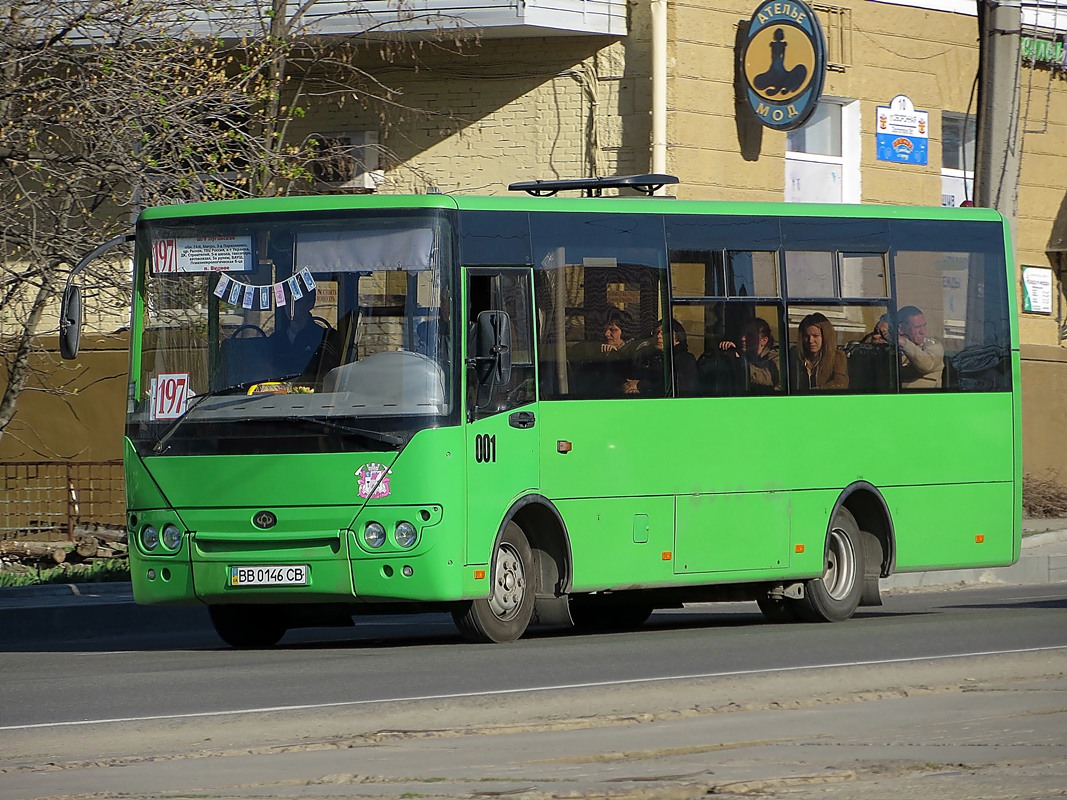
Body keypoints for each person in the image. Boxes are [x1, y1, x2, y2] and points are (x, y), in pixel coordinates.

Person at [269, 289, 341, 383]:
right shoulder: (275, 340)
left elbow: (332, 377)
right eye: (287, 301)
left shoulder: (326, 339)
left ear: (310, 304)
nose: (291, 307)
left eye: (297, 301)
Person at [624, 318, 697, 396]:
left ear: (677, 339)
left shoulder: (685, 359)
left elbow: (679, 389)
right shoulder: (644, 357)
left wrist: (641, 386)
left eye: (664, 333)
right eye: (656, 332)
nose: (658, 336)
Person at [790, 312, 848, 392]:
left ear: (825, 336)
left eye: (816, 336)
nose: (810, 340)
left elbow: (840, 383)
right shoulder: (794, 356)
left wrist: (817, 392)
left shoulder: (838, 357)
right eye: (806, 336)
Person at [718, 317, 780, 391]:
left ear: (764, 340)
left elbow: (768, 378)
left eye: (750, 335)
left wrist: (740, 361)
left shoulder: (776, 357)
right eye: (743, 334)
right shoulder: (747, 356)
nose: (743, 339)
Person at [897, 305, 944, 389]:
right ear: (901, 329)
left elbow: (926, 364)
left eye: (924, 326)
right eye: (917, 327)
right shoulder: (893, 349)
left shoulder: (933, 346)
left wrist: (904, 343)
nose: (923, 331)